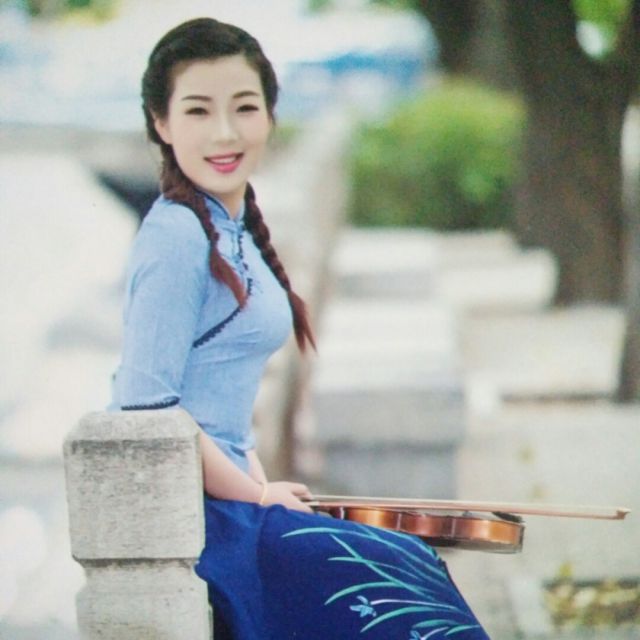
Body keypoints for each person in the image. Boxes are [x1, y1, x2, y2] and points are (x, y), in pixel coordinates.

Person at [110, 17, 490, 640]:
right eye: (198, 111)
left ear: (270, 116)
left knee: (411, 562)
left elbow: (224, 402)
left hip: (229, 502)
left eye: (244, 107)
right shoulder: (176, 235)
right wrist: (257, 500)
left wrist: (261, 486)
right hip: (195, 523)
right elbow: (146, 405)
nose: (225, 132)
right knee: (398, 580)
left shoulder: (227, 226)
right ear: (161, 123)